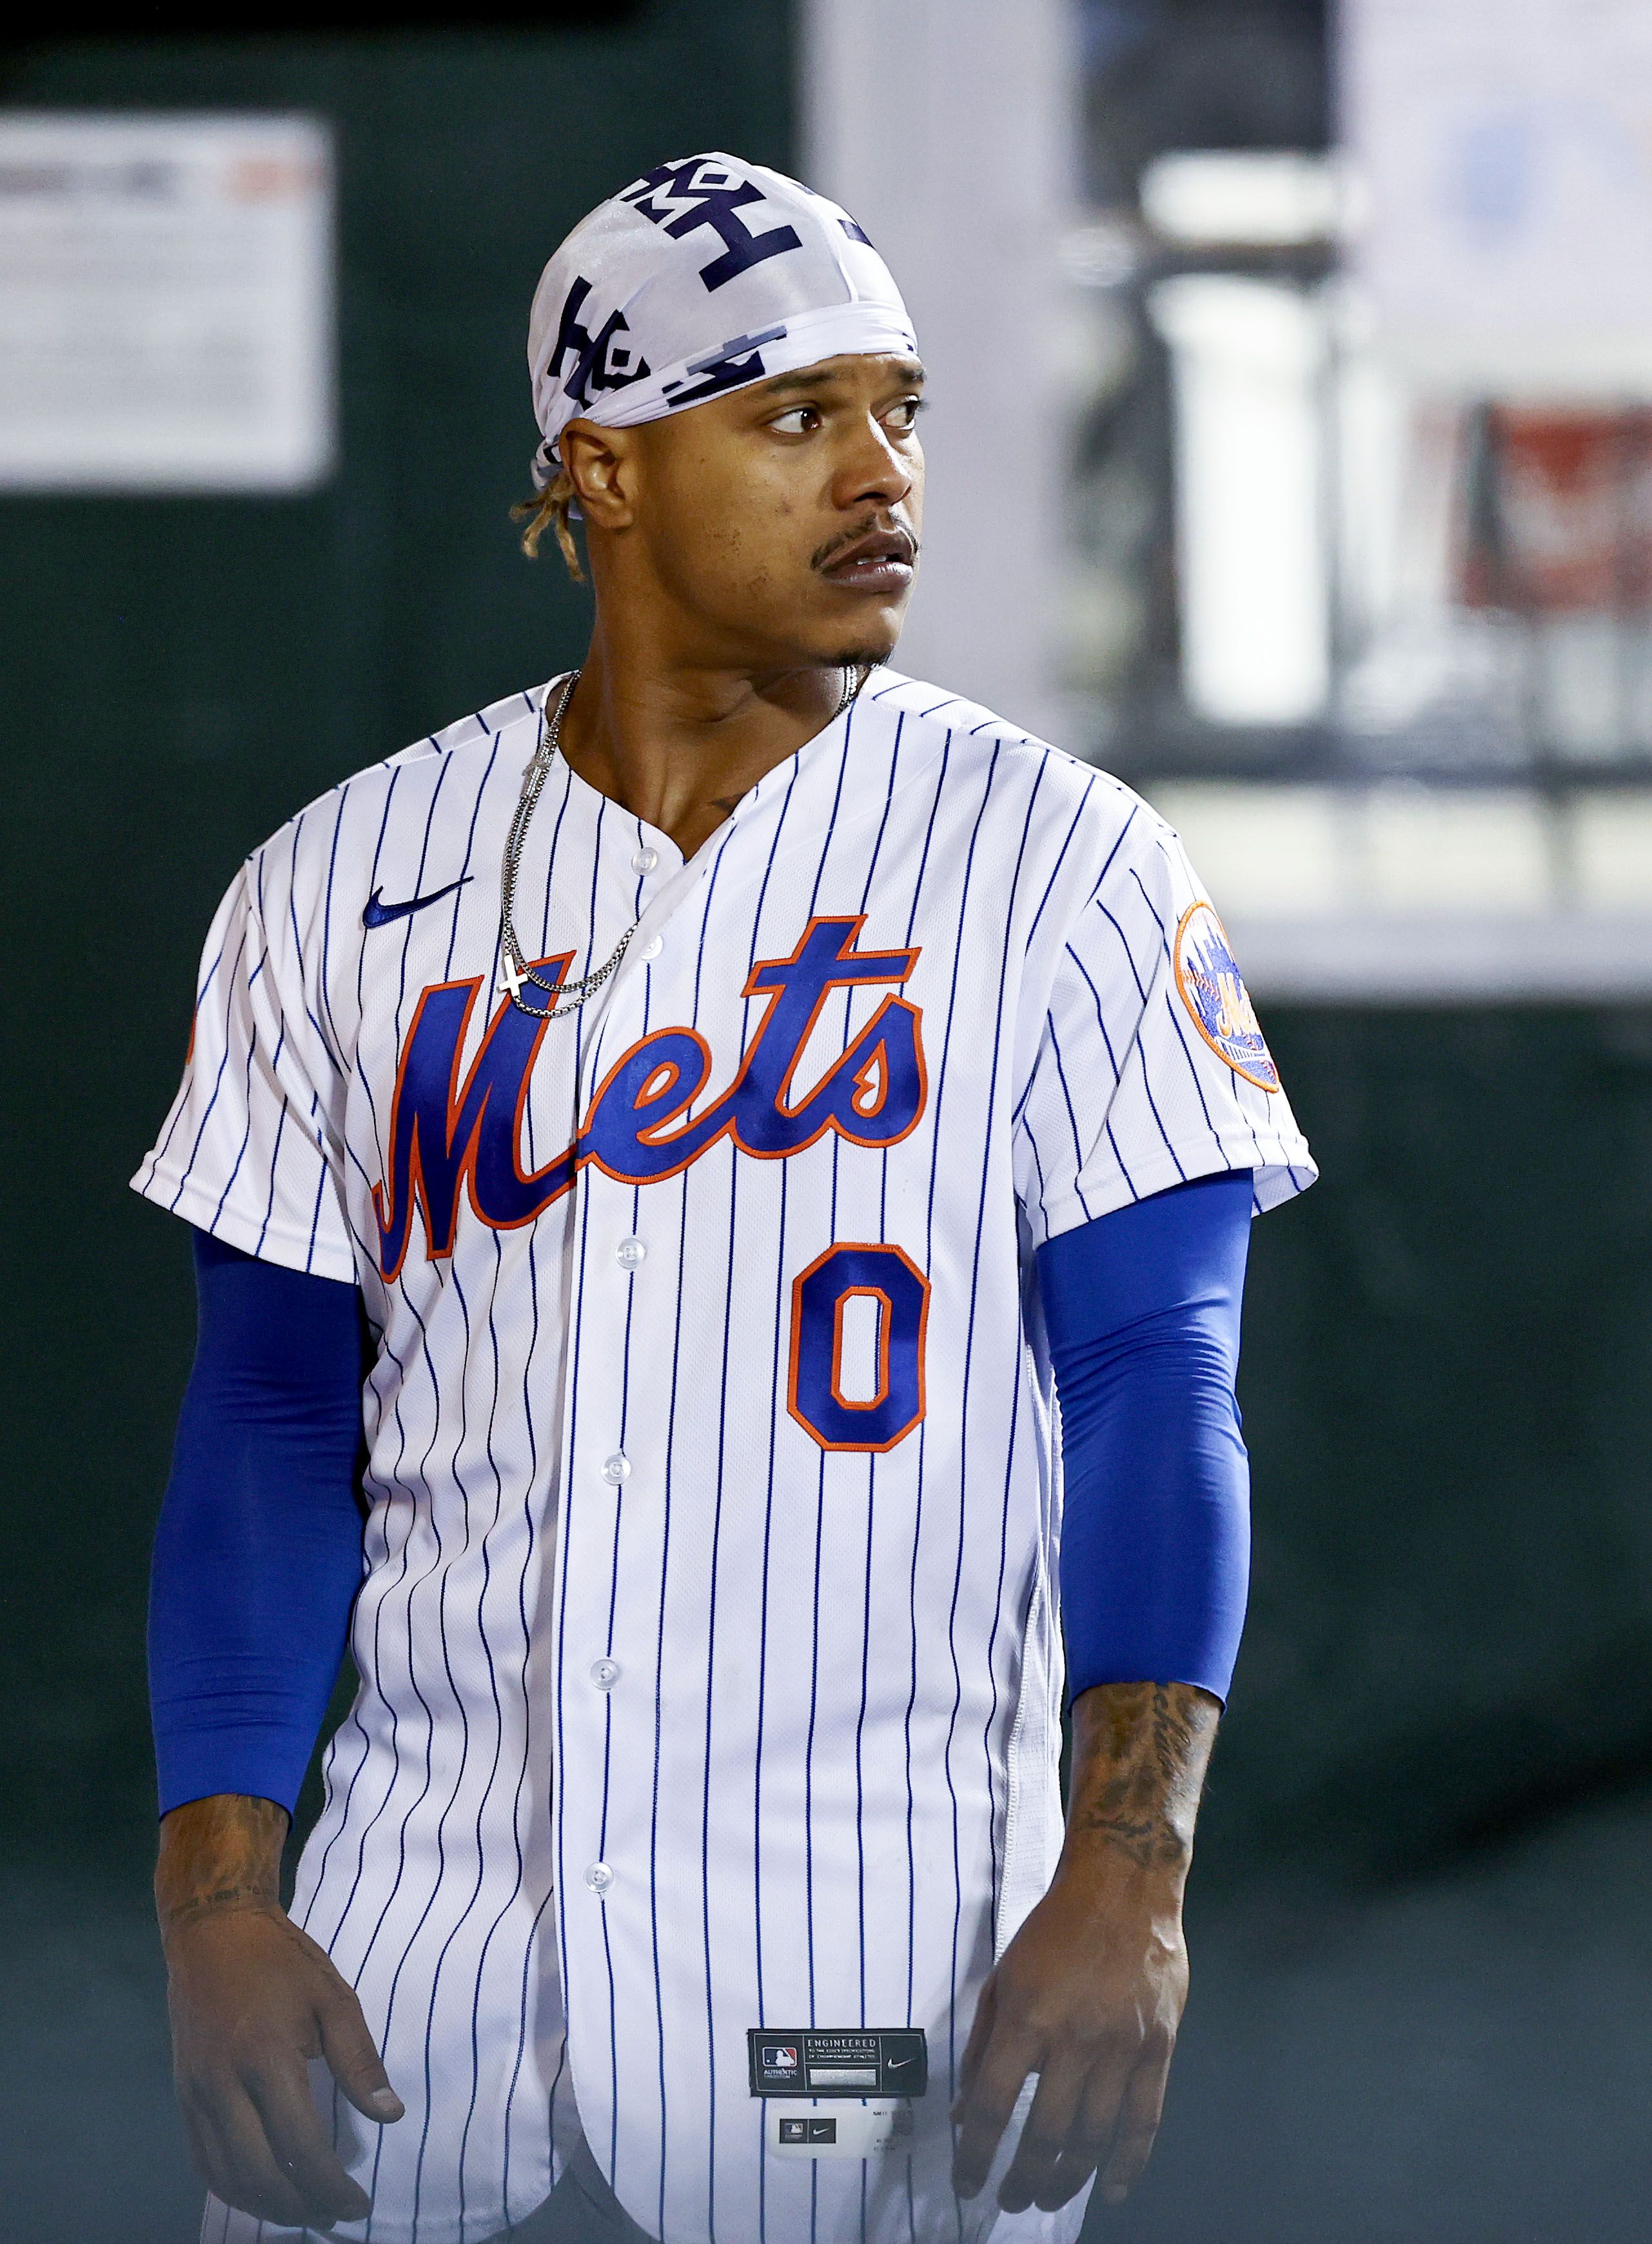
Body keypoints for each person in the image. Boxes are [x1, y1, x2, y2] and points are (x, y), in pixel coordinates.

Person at [137, 153, 1315, 2244]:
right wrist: (215, 1887)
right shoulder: (336, 882)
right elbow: (265, 1420)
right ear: (601, 469)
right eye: (795, 416)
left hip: (880, 1944)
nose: (882, 477)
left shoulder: (1063, 865)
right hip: (415, 1961)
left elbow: (1157, 1381)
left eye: (903, 409)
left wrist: (1128, 1869)